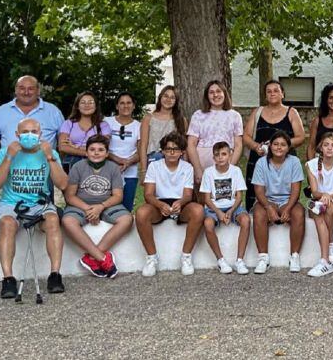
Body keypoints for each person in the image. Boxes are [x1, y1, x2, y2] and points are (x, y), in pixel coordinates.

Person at [0, 118, 68, 298]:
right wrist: (9, 157)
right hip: (11, 203)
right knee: (7, 224)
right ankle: (8, 278)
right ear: (17, 135)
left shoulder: (50, 153)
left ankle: (55, 275)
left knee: (53, 220)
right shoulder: (4, 152)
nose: (29, 135)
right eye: (25, 132)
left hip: (39, 203)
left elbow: (63, 183)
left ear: (40, 135)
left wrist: (49, 157)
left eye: (34, 131)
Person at [60, 134, 132, 279]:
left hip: (106, 204)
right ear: (86, 152)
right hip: (81, 204)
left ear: (106, 154)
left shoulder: (113, 168)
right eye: (92, 149)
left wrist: (100, 207)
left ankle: (93, 257)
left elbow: (118, 196)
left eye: (101, 150)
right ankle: (102, 258)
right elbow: (70, 196)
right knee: (67, 221)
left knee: (127, 219)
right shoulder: (77, 167)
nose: (96, 152)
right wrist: (88, 209)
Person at [135, 131, 203, 277]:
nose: (172, 152)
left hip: (181, 203)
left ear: (182, 152)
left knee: (198, 211)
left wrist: (180, 202)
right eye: (168, 149)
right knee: (141, 213)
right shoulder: (154, 166)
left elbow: (187, 195)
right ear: (163, 151)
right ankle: (151, 258)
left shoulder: (187, 167)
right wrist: (160, 205)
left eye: (176, 149)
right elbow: (148, 194)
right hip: (158, 203)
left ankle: (186, 256)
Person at [243, 80, 307, 210]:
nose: (272, 93)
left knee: (286, 195)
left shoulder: (291, 112)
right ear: (265, 95)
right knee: (256, 196)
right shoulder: (257, 112)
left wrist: (281, 145)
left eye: (276, 90)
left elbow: (301, 137)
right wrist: (256, 147)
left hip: (284, 161)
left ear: (283, 94)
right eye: (269, 91)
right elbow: (246, 136)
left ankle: (285, 214)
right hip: (259, 160)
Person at [250, 130, 306, 274]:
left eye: (283, 145)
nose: (279, 147)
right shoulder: (261, 163)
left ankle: (294, 256)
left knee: (299, 214)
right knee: (258, 214)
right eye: (275, 144)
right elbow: (259, 190)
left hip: (288, 200)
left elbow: (296, 190)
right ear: (270, 146)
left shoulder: (294, 162)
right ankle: (263, 258)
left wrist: (287, 209)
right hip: (268, 200)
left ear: (288, 147)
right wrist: (268, 207)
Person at [199, 142, 252, 275]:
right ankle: (220, 260)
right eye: (217, 155)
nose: (220, 157)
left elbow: (239, 197)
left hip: (233, 206)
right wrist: (218, 213)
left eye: (224, 154)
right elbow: (206, 199)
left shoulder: (236, 171)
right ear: (213, 157)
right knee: (207, 223)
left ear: (230, 154)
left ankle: (239, 260)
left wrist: (230, 211)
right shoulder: (208, 172)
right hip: (214, 208)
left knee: (246, 220)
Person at [305, 133, 333, 277]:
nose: (329, 148)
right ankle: (325, 259)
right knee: (319, 213)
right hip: (317, 202)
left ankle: (327, 252)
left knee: (328, 207)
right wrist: (322, 196)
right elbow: (314, 191)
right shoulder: (311, 165)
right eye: (326, 145)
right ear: (320, 147)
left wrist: (327, 197)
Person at [187, 80, 245, 185]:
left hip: (226, 160)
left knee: (224, 196)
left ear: (224, 94)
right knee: (204, 197)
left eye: (218, 91)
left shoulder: (234, 116)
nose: (215, 95)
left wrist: (230, 167)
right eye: (211, 92)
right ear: (207, 96)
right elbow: (191, 144)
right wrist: (198, 169)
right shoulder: (198, 115)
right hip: (203, 161)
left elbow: (238, 144)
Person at [0, 75, 64, 149]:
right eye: (22, 88)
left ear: (38, 91)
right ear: (16, 90)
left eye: (31, 89)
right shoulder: (0, 112)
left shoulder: (53, 112)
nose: (26, 93)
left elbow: (64, 143)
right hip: (8, 160)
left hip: (45, 160)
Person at [104, 92, 141, 211]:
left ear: (134, 106)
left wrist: (128, 162)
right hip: (108, 169)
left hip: (130, 172)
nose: (126, 106)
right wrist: (117, 160)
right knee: (107, 206)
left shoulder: (139, 126)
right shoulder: (107, 122)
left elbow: (141, 150)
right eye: (122, 103)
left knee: (126, 208)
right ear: (117, 106)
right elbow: (101, 146)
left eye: (129, 103)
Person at [58, 92, 112, 171]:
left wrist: (75, 147)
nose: (87, 105)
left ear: (96, 106)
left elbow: (103, 147)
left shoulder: (103, 125)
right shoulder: (68, 123)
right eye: (83, 102)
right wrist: (90, 152)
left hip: (96, 165)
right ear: (77, 106)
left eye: (91, 102)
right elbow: (62, 147)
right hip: (71, 164)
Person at [139, 85, 187, 170]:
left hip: (175, 159)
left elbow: (185, 147)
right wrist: (143, 170)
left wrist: (185, 166)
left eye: (172, 97)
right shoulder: (148, 118)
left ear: (176, 101)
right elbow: (143, 145)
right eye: (166, 96)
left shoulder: (181, 120)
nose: (168, 100)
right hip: (155, 159)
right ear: (160, 97)